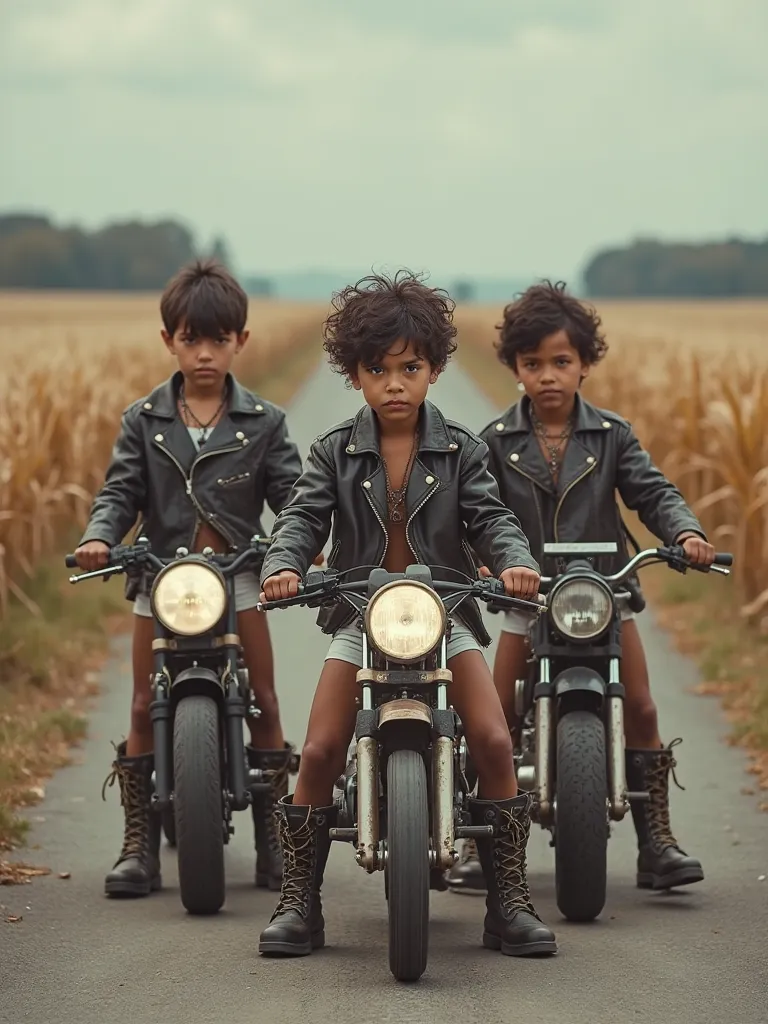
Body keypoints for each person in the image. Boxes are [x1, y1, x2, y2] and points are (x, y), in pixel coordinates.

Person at [256, 270, 558, 960]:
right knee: (322, 749)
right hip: (361, 618)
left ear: (434, 369)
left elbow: (492, 517)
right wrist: (283, 565)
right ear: (355, 375)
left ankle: (509, 901)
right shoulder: (334, 449)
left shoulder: (461, 448)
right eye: (379, 370)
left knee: (490, 736)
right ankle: (299, 902)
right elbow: (302, 518)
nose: (396, 383)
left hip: (444, 613)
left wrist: (514, 560)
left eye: (410, 368)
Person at [445, 280, 714, 896]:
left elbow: (653, 493)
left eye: (561, 362)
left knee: (642, 706)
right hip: (526, 597)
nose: (547, 376)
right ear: (514, 365)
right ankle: (474, 840)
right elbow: (472, 516)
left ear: (585, 364)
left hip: (601, 595)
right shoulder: (496, 441)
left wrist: (686, 531)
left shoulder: (611, 435)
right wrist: (479, 565)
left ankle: (657, 841)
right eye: (533, 363)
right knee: (496, 717)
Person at [75, 259, 310, 898]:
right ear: (168, 341)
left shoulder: (264, 421)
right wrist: (101, 536)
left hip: (236, 576)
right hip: (162, 577)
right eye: (190, 339)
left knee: (263, 696)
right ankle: (138, 846)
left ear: (241, 341)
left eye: (218, 340)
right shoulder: (144, 419)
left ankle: (275, 841)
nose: (204, 353)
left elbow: (292, 496)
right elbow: (120, 491)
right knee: (140, 703)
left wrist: (301, 548)